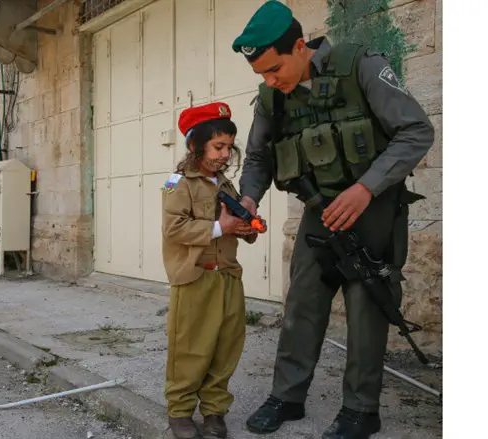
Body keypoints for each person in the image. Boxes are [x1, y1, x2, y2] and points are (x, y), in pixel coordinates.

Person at [230, 2, 435, 439]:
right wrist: (248, 198)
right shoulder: (272, 96)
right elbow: (258, 157)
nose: (270, 81)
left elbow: (417, 130)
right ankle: (287, 396)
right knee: (302, 303)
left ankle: (361, 410)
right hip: (318, 210)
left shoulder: (361, 65)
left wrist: (366, 187)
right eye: (261, 75)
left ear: (300, 46)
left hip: (372, 207)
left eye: (273, 69)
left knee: (366, 308)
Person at [161, 102, 264, 439]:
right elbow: (174, 229)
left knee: (225, 348)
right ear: (195, 145)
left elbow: (235, 226)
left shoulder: (227, 187)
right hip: (195, 278)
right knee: (190, 348)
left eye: (229, 147)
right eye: (218, 146)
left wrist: (245, 228)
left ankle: (214, 412)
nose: (224, 155)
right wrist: (221, 227)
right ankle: (180, 412)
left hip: (228, 277)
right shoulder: (179, 184)